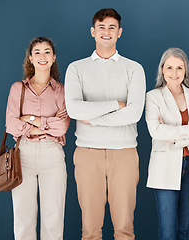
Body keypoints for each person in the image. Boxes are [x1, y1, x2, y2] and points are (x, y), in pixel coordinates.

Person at [64, 8, 146, 240]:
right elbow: (74, 109)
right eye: (101, 27)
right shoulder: (76, 68)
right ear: (92, 32)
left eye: (112, 27)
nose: (106, 32)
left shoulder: (134, 68)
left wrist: (93, 119)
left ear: (120, 32)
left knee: (124, 229)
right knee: (90, 230)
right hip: (88, 154)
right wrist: (116, 104)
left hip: (125, 154)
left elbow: (134, 114)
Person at [5, 37, 70, 240]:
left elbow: (62, 127)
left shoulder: (62, 91)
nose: (43, 56)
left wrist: (30, 120)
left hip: (53, 156)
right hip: (22, 155)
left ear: (53, 58)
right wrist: (47, 123)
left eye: (47, 51)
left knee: (54, 218)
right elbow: (11, 124)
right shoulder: (18, 88)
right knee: (23, 219)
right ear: (30, 58)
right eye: (38, 52)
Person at [145, 48, 189, 240]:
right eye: (170, 67)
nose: (175, 73)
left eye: (179, 68)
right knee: (168, 232)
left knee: (183, 230)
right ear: (162, 70)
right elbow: (156, 132)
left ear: (186, 70)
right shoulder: (153, 96)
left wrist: (174, 134)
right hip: (165, 168)